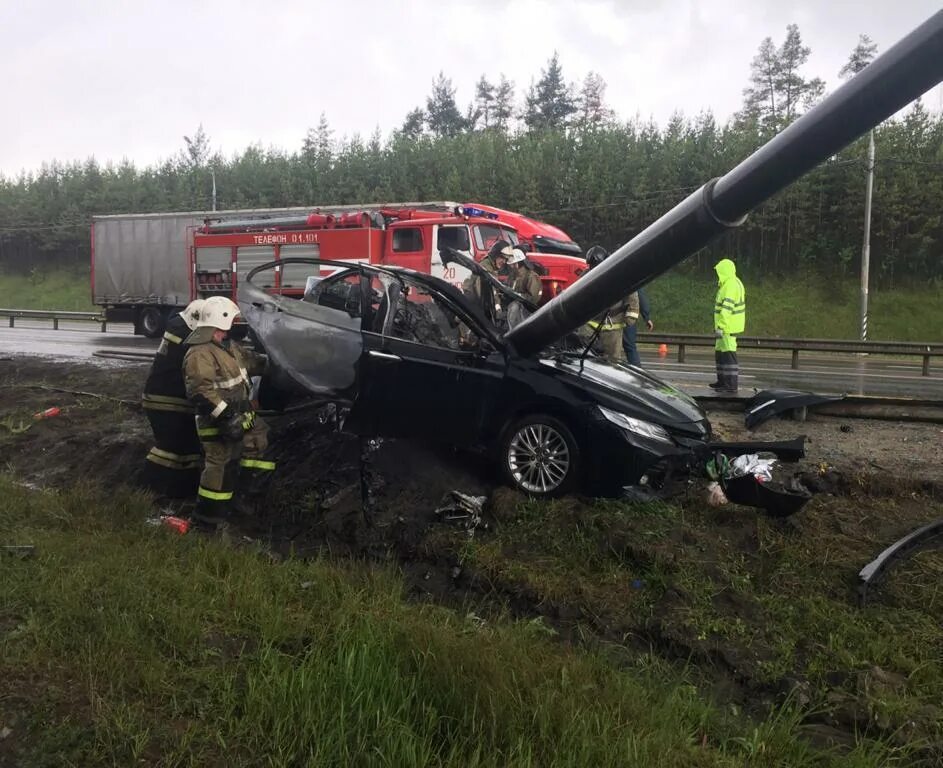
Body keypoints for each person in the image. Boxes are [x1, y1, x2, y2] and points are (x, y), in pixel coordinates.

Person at [182, 296, 275, 529]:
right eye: (232, 320)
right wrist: (226, 417)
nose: (235, 325)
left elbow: (254, 363)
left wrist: (279, 362)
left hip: (242, 418)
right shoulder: (199, 353)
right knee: (219, 466)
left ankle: (242, 501)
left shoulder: (229, 347)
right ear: (219, 322)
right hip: (218, 421)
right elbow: (200, 392)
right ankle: (207, 520)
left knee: (258, 447)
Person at [141, 299, 205, 498]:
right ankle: (147, 490)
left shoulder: (179, 328)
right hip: (167, 399)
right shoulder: (187, 337)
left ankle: (180, 493)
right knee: (170, 448)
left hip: (168, 397)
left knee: (189, 449)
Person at [584, 245, 640, 362]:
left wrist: (631, 315)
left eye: (596, 265)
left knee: (613, 361)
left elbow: (632, 295)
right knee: (588, 358)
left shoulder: (618, 276)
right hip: (590, 325)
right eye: (591, 266)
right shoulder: (585, 276)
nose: (593, 269)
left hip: (613, 325)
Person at [710, 258, 746, 394]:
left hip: (727, 328)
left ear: (724, 271)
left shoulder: (730, 285)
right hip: (725, 327)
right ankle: (722, 381)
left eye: (719, 271)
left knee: (728, 355)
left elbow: (727, 309)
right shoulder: (731, 283)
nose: (717, 274)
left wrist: (721, 326)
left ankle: (730, 384)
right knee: (720, 354)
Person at [622, 287, 653, 366]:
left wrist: (647, 317)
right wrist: (646, 317)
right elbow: (641, 297)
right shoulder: (632, 279)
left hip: (613, 318)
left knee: (607, 349)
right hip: (628, 317)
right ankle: (636, 370)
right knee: (630, 348)